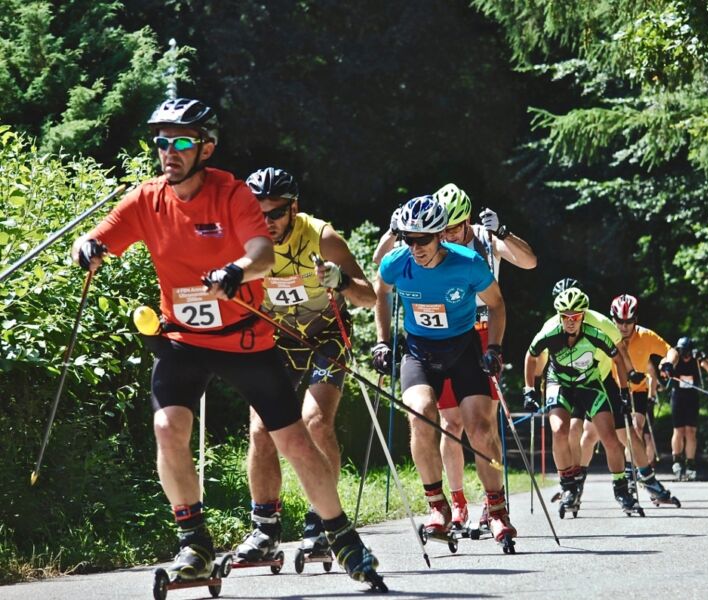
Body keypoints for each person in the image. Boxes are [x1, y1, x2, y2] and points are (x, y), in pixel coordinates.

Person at [71, 98, 382, 588]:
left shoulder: (233, 194)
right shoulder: (146, 200)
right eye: (161, 140)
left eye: (181, 141)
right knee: (166, 425)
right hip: (183, 339)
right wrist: (87, 248)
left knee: (295, 439)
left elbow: (260, 252)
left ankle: (341, 536)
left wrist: (237, 269)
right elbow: (99, 237)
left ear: (206, 147)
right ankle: (194, 543)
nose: (167, 150)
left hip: (245, 340)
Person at [234, 167, 375, 562]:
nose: (267, 222)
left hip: (326, 338)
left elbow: (370, 297)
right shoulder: (243, 239)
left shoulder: (322, 237)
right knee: (262, 429)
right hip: (277, 340)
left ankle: (322, 524)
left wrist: (341, 282)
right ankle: (264, 530)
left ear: (294, 207)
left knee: (315, 422)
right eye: (258, 213)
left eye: (275, 213)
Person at [371, 195, 517, 547]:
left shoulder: (468, 262)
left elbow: (497, 305)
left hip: (464, 349)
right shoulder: (396, 263)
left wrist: (494, 347)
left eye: (423, 239)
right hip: (420, 352)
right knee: (420, 415)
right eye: (408, 238)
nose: (415, 247)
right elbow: (380, 293)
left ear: (439, 235)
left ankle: (496, 510)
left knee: (480, 430)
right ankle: (438, 507)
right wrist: (381, 341)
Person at [431, 183, 537, 533]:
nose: (449, 234)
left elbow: (529, 262)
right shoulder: (431, 240)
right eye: (444, 227)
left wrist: (502, 230)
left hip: (482, 333)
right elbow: (384, 261)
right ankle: (458, 502)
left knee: (483, 427)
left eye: (456, 226)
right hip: (446, 333)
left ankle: (492, 504)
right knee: (450, 424)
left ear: (469, 220)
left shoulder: (485, 238)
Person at [522, 287, 645, 515]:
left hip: (589, 382)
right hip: (559, 382)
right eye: (566, 317)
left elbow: (617, 358)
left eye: (576, 316)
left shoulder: (594, 332)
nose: (571, 322)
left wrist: (624, 392)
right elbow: (530, 356)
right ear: (560, 316)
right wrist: (528, 389)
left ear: (583, 315)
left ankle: (621, 489)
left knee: (609, 438)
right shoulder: (550, 332)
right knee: (560, 431)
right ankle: (568, 486)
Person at [608, 294, 679, 487]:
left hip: (638, 389)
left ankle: (631, 472)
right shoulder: (606, 335)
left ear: (635, 319)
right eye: (620, 322)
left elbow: (671, 351)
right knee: (603, 434)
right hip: (613, 387)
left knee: (636, 427)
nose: (624, 327)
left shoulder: (646, 336)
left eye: (629, 322)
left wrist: (668, 364)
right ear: (613, 319)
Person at [663, 336, 708, 481]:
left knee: (691, 431)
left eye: (688, 352)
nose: (685, 356)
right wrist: (666, 368)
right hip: (677, 397)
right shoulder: (676, 357)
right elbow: (664, 363)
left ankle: (690, 463)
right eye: (683, 352)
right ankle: (677, 460)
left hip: (692, 397)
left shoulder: (696, 359)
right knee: (678, 430)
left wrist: (703, 358)